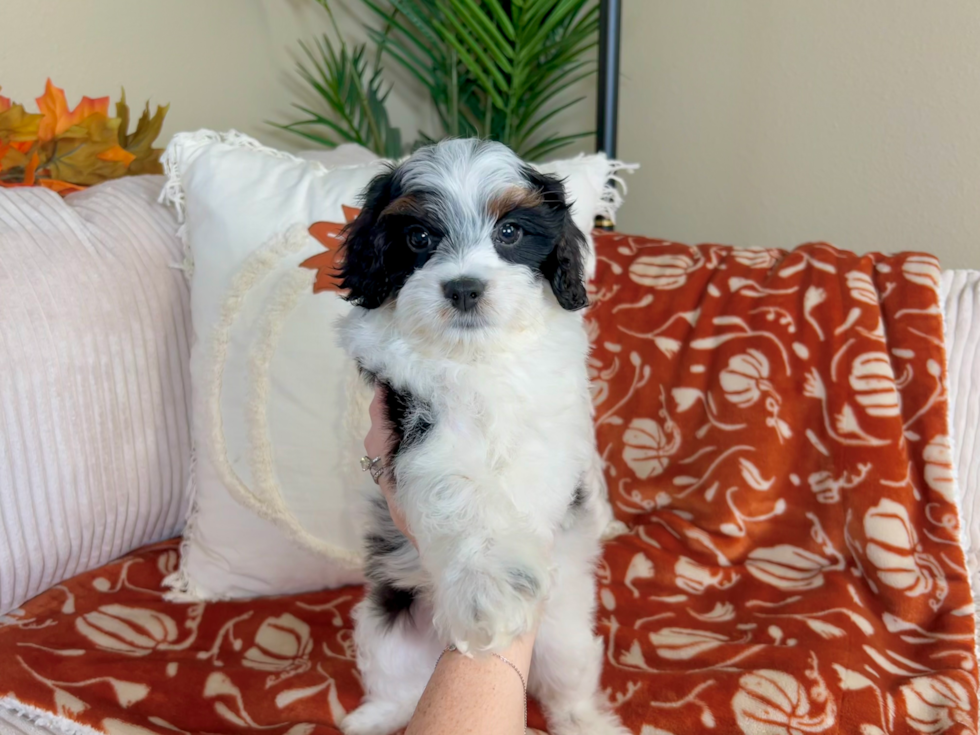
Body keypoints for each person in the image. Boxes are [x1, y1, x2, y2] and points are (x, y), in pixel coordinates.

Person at [364, 386, 546, 735]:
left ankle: (574, 707)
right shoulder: (407, 382)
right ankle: (394, 699)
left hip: (529, 574)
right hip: (417, 592)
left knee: (562, 653)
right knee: (393, 635)